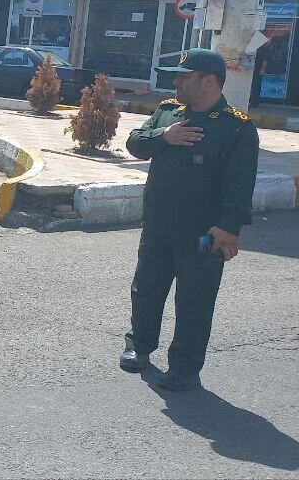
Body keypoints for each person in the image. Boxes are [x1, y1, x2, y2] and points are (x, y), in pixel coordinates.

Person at [120, 48, 259, 391]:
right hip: (158, 224)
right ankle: (139, 346)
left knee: (194, 300)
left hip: (203, 233)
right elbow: (135, 143)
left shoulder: (236, 127)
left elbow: (240, 184)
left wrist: (229, 228)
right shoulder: (168, 112)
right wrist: (164, 137)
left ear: (208, 81)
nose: (176, 83)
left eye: (184, 77)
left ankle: (185, 367)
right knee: (146, 289)